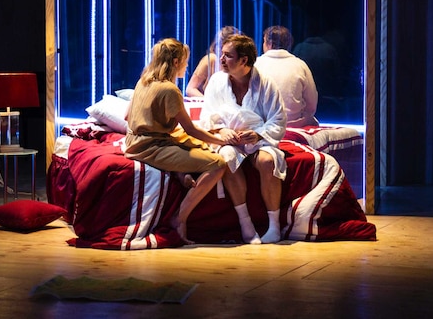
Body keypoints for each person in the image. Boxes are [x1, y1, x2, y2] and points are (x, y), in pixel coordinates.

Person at [123, 38, 230, 244]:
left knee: (190, 143)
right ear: (175, 62)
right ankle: (179, 218)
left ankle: (181, 174)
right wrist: (219, 140)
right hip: (150, 147)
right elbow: (190, 128)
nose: (187, 65)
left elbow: (127, 117)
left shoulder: (144, 80)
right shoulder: (169, 90)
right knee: (218, 164)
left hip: (134, 141)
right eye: (185, 61)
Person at [200, 34, 287, 244]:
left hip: (259, 138)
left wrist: (257, 134)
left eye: (228, 56)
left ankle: (274, 225)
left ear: (244, 61)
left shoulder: (265, 83)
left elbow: (278, 119)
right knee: (227, 159)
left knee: (268, 162)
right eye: (222, 54)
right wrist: (221, 130)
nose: (221, 60)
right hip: (229, 139)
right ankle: (245, 223)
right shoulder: (217, 81)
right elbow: (207, 115)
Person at [254, 25, 319, 127]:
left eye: (264, 41)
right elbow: (311, 105)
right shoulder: (300, 65)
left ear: (269, 44)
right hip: (294, 124)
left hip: (261, 124)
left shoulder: (255, 64)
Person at [185, 25, 242, 97]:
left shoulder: (238, 63)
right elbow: (190, 89)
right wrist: (207, 102)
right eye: (219, 45)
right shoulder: (211, 59)